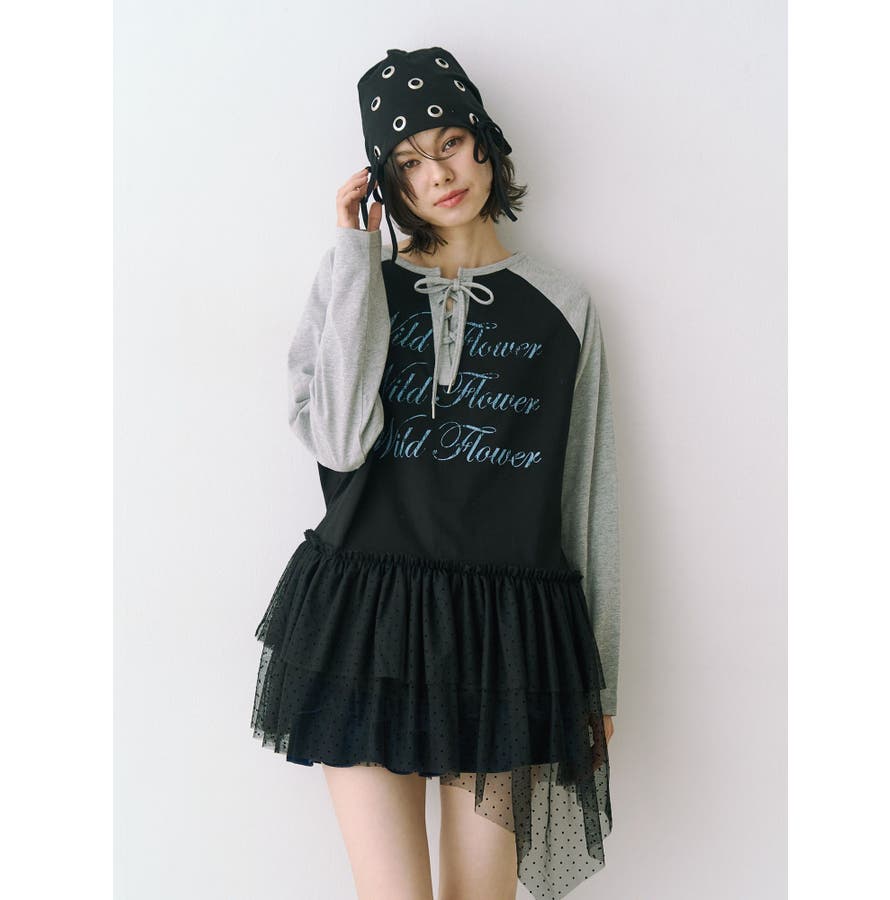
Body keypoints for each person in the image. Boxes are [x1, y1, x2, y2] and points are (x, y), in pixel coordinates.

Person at [250, 47, 621, 900]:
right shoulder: (359, 281)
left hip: (508, 634)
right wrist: (355, 253)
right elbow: (338, 440)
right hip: (364, 619)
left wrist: (600, 676)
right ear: (388, 184)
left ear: (485, 142)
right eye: (409, 162)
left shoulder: (564, 305)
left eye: (450, 143)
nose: (439, 174)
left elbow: (585, 494)